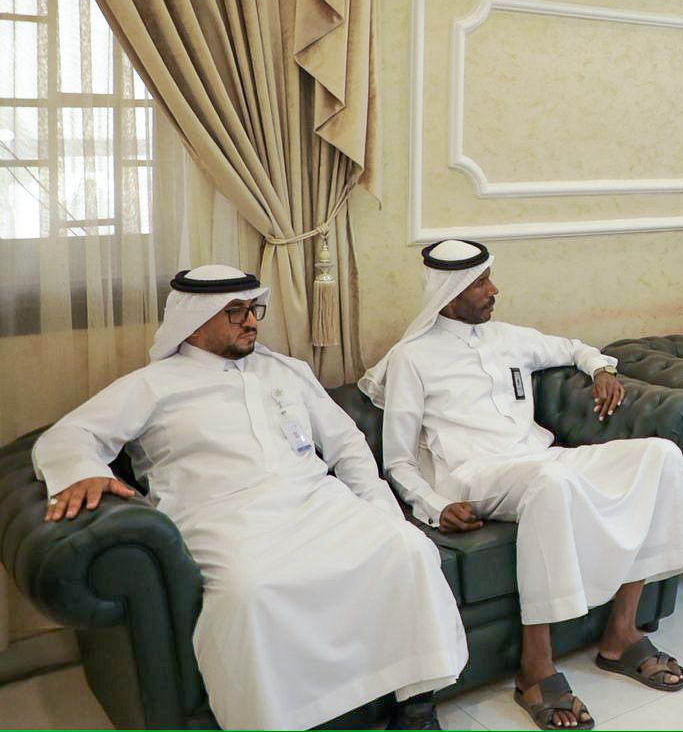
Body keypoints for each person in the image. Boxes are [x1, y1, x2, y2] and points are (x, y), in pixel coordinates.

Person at [33, 266, 466, 731]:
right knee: (249, 591)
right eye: (235, 313)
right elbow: (68, 436)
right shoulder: (151, 385)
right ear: (193, 321)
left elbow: (346, 444)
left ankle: (416, 708)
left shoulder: (286, 370)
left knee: (408, 548)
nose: (251, 321)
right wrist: (84, 472)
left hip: (316, 502)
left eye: (253, 309)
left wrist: (381, 509)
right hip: (221, 517)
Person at [362, 240, 683, 731]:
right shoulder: (411, 359)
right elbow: (397, 459)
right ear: (450, 292)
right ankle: (535, 668)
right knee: (552, 481)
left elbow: (576, 348)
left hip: (540, 459)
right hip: (474, 475)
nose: (493, 290)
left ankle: (622, 633)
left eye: (488, 279)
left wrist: (602, 370)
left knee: (658, 454)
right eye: (481, 283)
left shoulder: (510, 337)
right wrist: (435, 508)